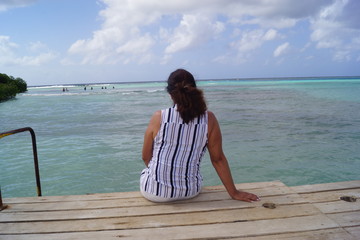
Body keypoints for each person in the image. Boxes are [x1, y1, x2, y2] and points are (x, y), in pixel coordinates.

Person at [140, 69, 260, 203]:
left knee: (146, 173)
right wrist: (234, 193)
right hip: (190, 191)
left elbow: (146, 156)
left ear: (170, 94)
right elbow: (218, 159)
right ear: (194, 90)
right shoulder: (209, 119)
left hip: (154, 193)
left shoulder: (159, 117)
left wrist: (162, 178)